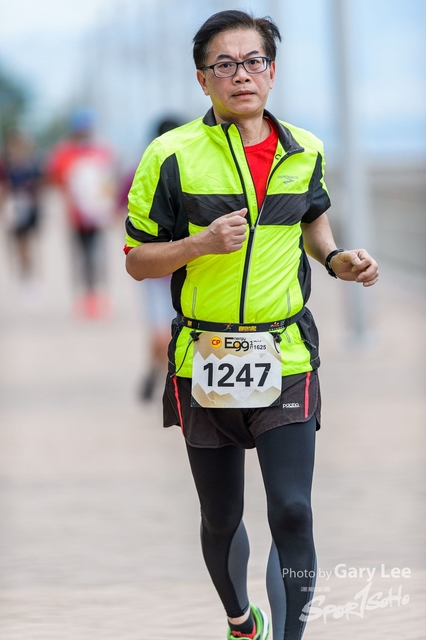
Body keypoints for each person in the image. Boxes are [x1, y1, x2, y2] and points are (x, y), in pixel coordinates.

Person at [124, 10, 379, 640]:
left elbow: (313, 225)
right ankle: (242, 620)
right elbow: (136, 260)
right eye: (225, 64)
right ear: (202, 79)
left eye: (253, 61)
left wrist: (338, 260)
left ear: (272, 71)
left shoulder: (306, 150)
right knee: (221, 516)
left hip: (285, 354)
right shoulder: (170, 155)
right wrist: (201, 244)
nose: (242, 75)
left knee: (293, 510)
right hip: (205, 357)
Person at [121, 117, 182, 401]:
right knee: (162, 336)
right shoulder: (146, 171)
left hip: (177, 270)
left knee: (167, 334)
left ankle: (157, 373)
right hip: (164, 272)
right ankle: (164, 374)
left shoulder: (140, 171)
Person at [47, 108, 117, 318]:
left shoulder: (101, 151)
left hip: (96, 216)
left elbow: (109, 180)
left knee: (98, 256)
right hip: (76, 216)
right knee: (81, 256)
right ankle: (86, 297)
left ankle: (98, 296)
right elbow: (56, 179)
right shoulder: (65, 153)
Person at [1, 131, 44, 308]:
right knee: (18, 245)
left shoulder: (31, 166)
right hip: (14, 208)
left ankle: (30, 278)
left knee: (28, 245)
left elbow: (39, 186)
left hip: (29, 208)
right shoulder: (7, 167)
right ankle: (23, 277)